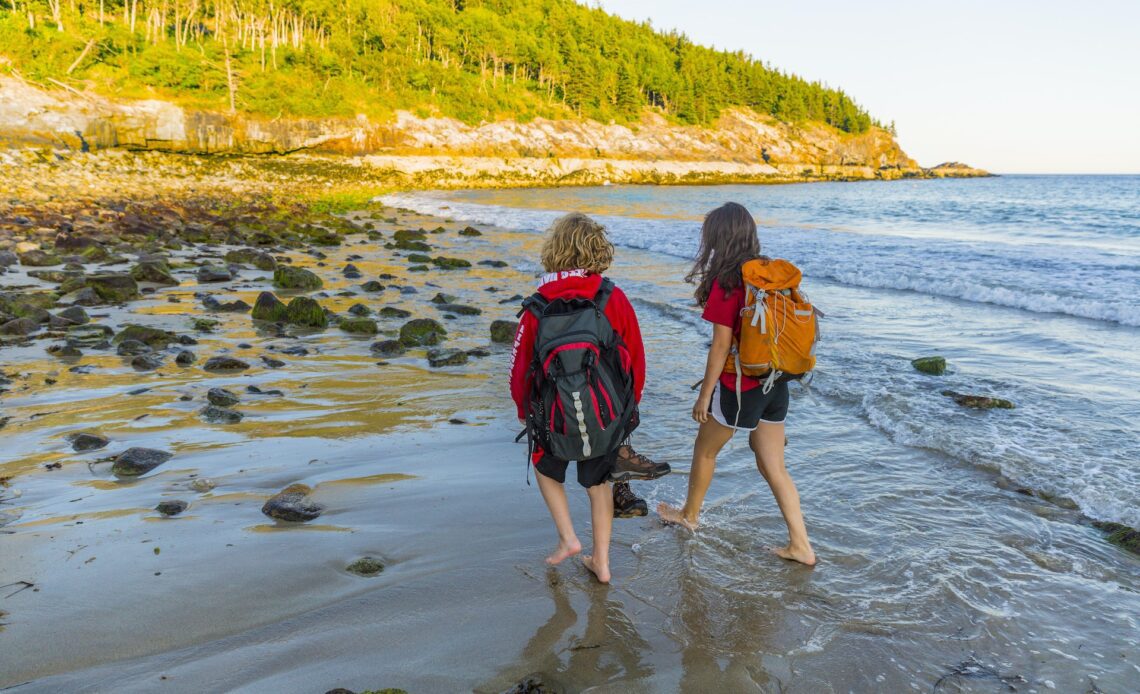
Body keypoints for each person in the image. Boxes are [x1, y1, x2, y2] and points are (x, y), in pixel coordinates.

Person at [510, 212, 669, 583]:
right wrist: (628, 411)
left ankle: (567, 538)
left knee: (543, 463)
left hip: (553, 413)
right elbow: (636, 357)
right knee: (601, 480)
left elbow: (519, 367)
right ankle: (602, 562)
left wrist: (523, 410)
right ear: (598, 249)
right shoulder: (612, 296)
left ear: (555, 250)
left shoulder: (537, 304)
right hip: (606, 411)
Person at [658, 202, 816, 566]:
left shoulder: (728, 283)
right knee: (773, 465)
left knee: (706, 449)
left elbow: (721, 346)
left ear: (719, 239)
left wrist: (705, 395)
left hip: (741, 386)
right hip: (776, 383)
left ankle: (690, 516)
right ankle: (801, 545)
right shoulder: (770, 276)